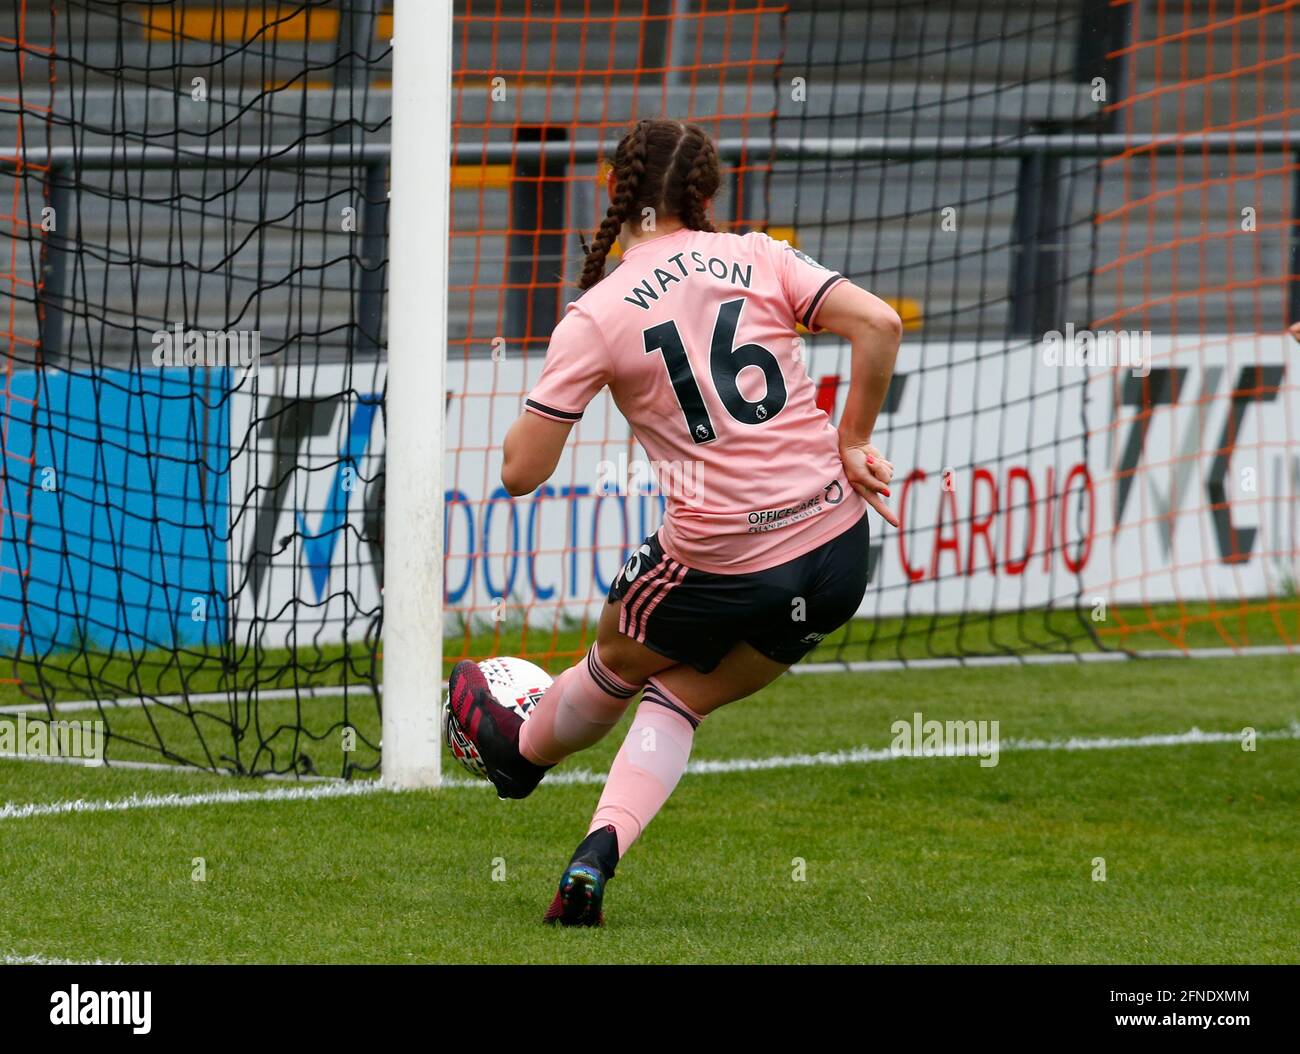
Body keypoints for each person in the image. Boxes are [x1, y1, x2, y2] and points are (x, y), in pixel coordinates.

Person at [447, 118, 902, 926]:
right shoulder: (761, 253)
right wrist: (852, 438)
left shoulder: (600, 311)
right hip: (836, 548)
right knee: (681, 698)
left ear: (612, 189)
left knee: (614, 665)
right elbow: (880, 323)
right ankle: (593, 857)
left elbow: (521, 473)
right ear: (707, 193)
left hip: (718, 558)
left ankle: (519, 756)